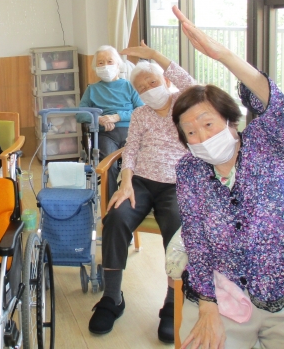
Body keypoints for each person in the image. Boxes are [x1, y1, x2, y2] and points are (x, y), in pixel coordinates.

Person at [170, 6, 284, 348]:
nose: (202, 137)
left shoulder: (268, 145)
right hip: (225, 292)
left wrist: (223, 55)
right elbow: (196, 239)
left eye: (208, 123)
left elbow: (277, 106)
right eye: (191, 132)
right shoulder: (189, 171)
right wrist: (207, 304)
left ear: (231, 120)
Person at [87, 43, 195, 343]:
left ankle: (173, 301)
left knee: (178, 227)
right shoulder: (140, 114)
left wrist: (155, 57)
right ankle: (112, 298)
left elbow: (193, 84)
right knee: (115, 217)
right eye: (141, 87)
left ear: (166, 80)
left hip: (177, 185)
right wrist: (125, 182)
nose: (148, 89)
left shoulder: (183, 103)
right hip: (140, 183)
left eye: (153, 82)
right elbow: (131, 150)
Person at [76, 45, 143, 198]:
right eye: (100, 63)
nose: (105, 66)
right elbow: (80, 115)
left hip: (131, 132)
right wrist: (98, 119)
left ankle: (134, 198)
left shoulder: (129, 86)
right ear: (95, 67)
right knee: (109, 164)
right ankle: (111, 201)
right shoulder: (92, 90)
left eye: (109, 61)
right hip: (106, 134)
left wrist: (117, 116)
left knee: (138, 163)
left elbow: (142, 111)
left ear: (118, 64)